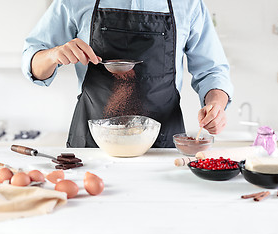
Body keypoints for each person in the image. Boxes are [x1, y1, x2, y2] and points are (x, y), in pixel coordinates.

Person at [22, 0, 233, 148]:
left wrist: (216, 105)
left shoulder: (188, 4)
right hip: (93, 145)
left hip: (161, 146)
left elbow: (212, 70)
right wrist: (52, 55)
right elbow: (32, 63)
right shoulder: (75, 1)